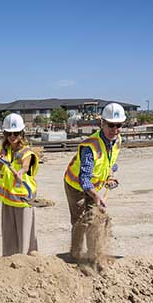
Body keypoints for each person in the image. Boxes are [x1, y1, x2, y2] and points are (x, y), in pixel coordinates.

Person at [64, 103, 124, 264]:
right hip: (76, 185)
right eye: (111, 125)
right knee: (81, 220)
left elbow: (111, 162)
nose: (115, 129)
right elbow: (84, 179)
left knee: (95, 219)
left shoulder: (117, 140)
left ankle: (93, 255)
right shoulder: (90, 147)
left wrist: (111, 174)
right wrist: (97, 197)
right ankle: (75, 256)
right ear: (102, 123)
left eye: (118, 125)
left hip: (94, 186)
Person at [0, 113, 39, 256]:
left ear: (22, 133)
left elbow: (25, 165)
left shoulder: (27, 152)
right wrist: (0, 159)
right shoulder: (5, 151)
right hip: (8, 198)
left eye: (16, 133)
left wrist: (20, 172)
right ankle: (8, 260)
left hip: (23, 199)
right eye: (9, 133)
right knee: (8, 234)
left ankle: (26, 260)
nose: (13, 136)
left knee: (25, 234)